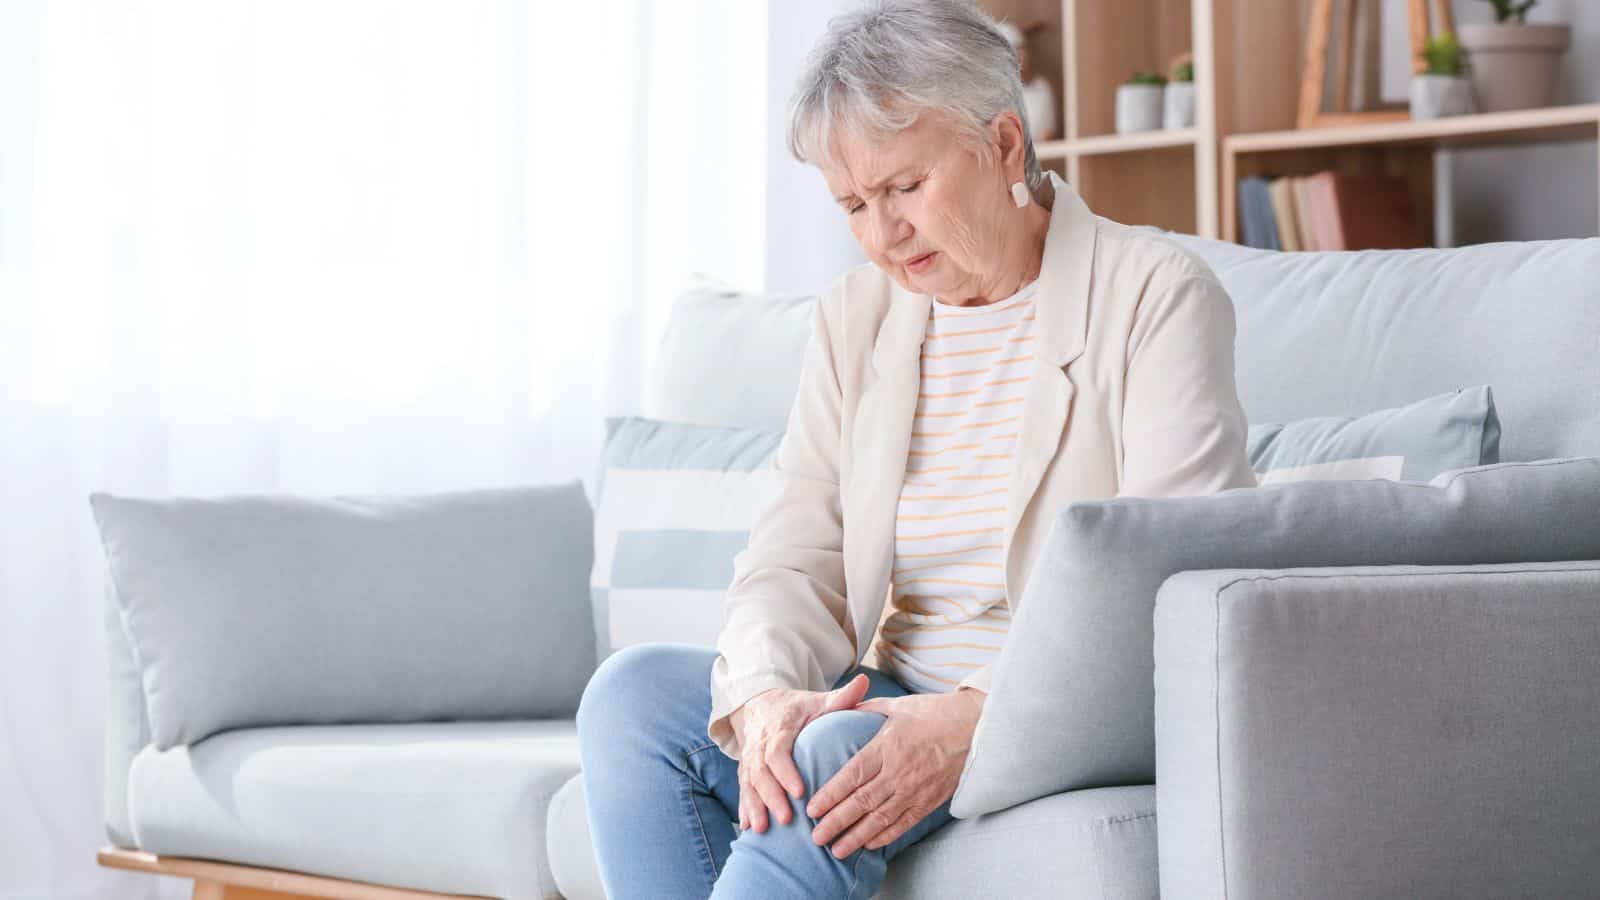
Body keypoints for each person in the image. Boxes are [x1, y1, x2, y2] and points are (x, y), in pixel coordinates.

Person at [576, 2, 1258, 897]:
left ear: (1005, 146)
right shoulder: (856, 320)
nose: (881, 233)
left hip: (1061, 708)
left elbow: (1168, 580)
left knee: (833, 753)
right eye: (853, 203)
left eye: (903, 188)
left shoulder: (1154, 296)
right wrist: (768, 695)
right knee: (630, 703)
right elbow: (794, 556)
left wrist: (974, 716)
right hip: (889, 689)